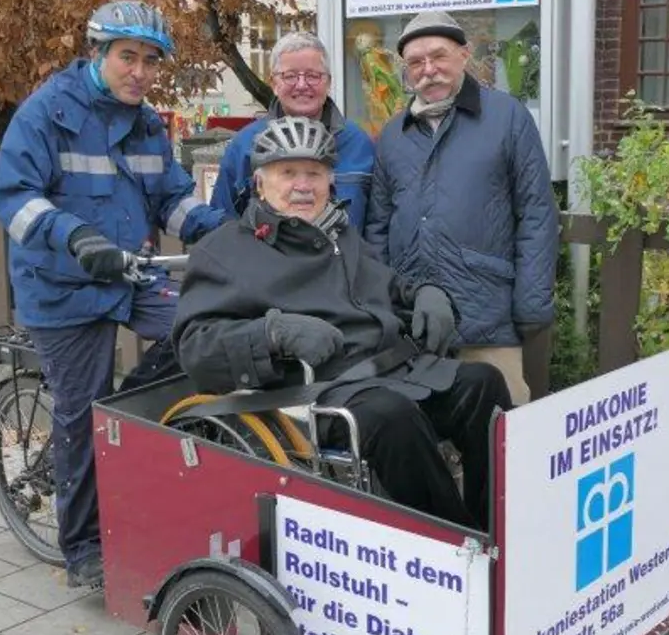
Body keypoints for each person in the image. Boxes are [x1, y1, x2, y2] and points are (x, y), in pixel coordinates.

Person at [173, 115, 510, 530]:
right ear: (260, 183)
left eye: (314, 174)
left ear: (331, 181)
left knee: (483, 383)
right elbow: (196, 346)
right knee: (393, 418)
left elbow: (387, 287)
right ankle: (456, 542)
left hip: (395, 371)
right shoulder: (222, 251)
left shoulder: (340, 235)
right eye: (288, 173)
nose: (303, 185)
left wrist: (425, 293)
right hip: (317, 394)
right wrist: (272, 333)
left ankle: (498, 522)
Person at [0, 0, 228, 589]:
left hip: (128, 274)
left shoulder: (146, 123)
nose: (140, 72)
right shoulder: (46, 113)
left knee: (199, 331)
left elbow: (171, 199)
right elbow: (14, 199)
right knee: (79, 415)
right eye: (128, 57)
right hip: (62, 287)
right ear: (97, 53)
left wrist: (224, 230)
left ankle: (123, 416)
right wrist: (74, 236)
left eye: (151, 61)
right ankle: (83, 548)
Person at [365, 10, 560, 406]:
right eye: (416, 63)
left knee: (500, 425)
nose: (428, 70)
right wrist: (383, 305)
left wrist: (532, 304)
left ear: (464, 55)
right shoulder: (393, 136)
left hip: (486, 316)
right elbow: (378, 227)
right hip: (413, 321)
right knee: (419, 425)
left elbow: (536, 213)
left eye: (439, 56)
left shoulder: (506, 118)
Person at [209, 31, 376, 230]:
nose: (302, 85)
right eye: (290, 76)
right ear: (273, 84)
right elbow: (223, 226)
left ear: (329, 83)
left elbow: (377, 226)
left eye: (313, 76)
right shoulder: (245, 146)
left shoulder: (358, 144)